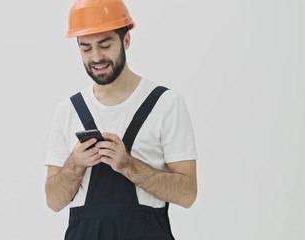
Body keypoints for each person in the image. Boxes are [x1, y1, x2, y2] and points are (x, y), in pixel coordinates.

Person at [44, 0, 198, 239]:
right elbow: (53, 202)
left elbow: (188, 194)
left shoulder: (166, 104)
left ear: (126, 40)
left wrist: (128, 165)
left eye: (105, 45)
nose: (96, 57)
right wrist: (75, 164)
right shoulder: (67, 111)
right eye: (86, 48)